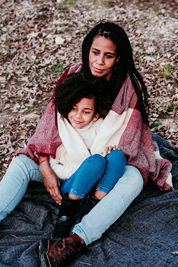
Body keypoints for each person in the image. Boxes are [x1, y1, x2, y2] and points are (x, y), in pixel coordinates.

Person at [0, 22, 173, 266]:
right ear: (88, 50)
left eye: (108, 56)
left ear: (118, 59)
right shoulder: (73, 74)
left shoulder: (129, 86)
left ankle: (74, 241)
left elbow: (129, 136)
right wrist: (44, 165)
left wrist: (110, 155)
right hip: (65, 157)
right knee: (22, 162)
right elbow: (49, 125)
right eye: (95, 53)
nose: (99, 61)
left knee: (134, 178)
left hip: (106, 165)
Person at [50, 72, 127, 239]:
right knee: (95, 161)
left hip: (97, 187)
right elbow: (55, 166)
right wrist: (84, 168)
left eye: (86, 112)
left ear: (95, 115)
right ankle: (66, 217)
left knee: (117, 156)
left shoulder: (101, 127)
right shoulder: (62, 131)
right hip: (72, 187)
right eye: (74, 109)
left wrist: (111, 149)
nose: (78, 116)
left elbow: (111, 139)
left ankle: (94, 205)